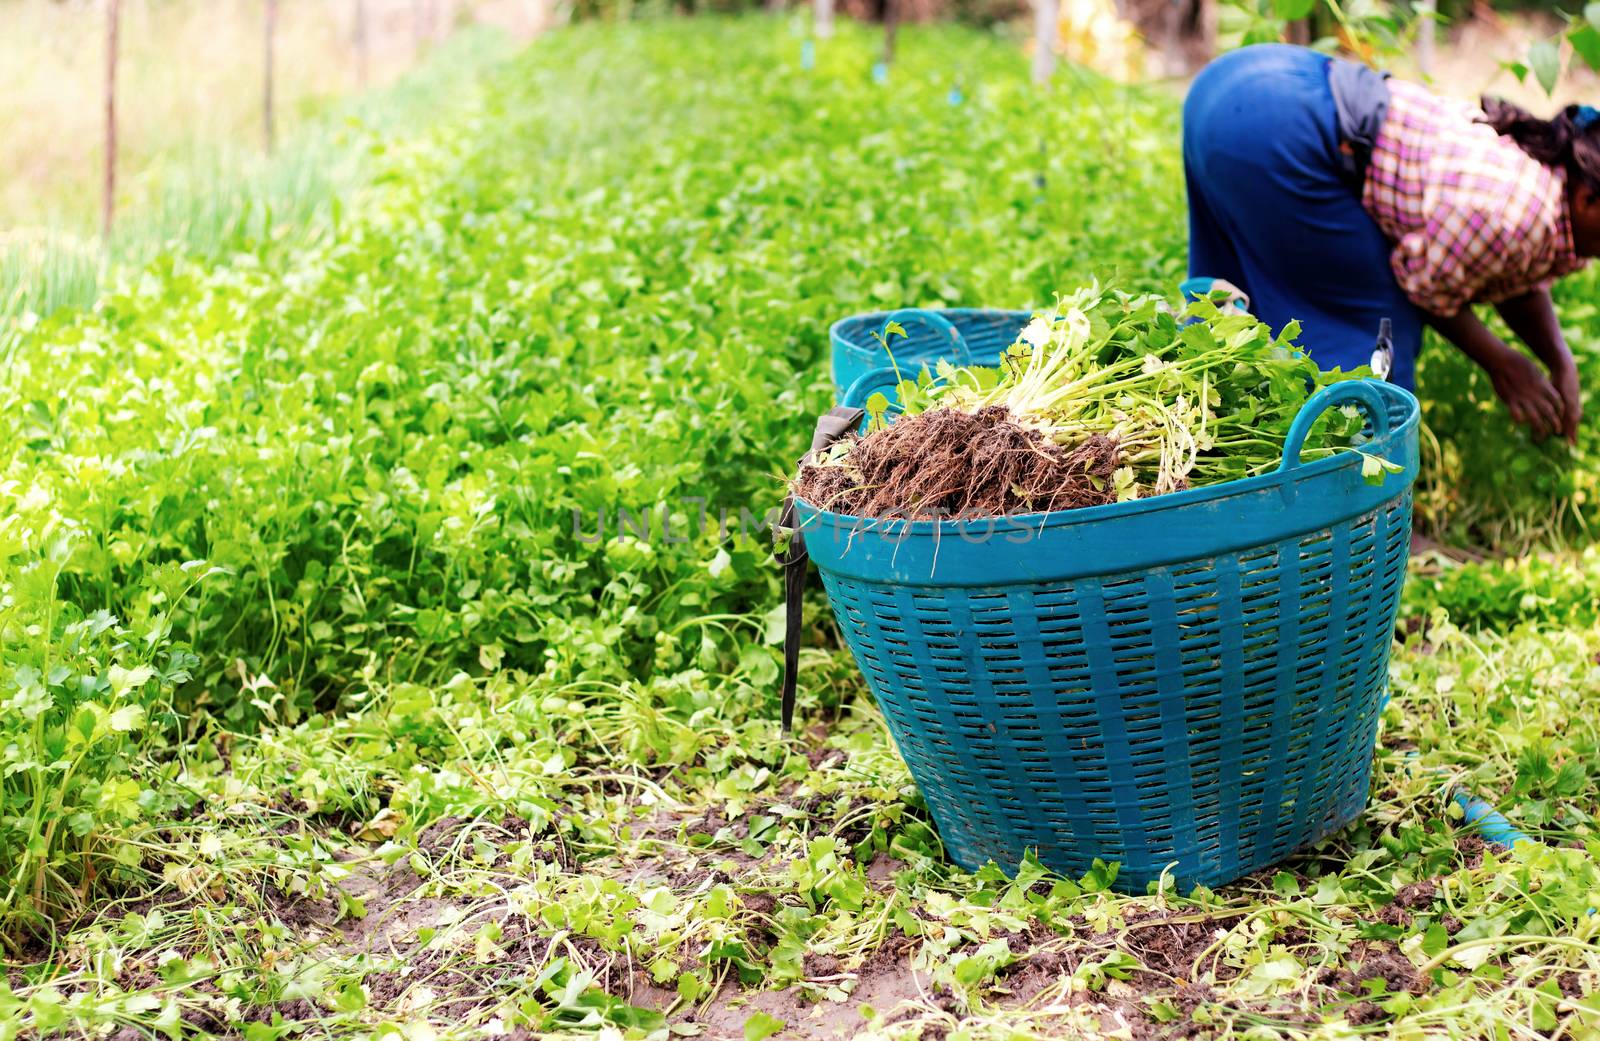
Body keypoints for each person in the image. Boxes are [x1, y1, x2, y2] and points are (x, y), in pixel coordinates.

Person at [1182, 43, 1599, 442]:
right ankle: (1353, 492)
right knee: (1376, 338)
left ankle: (1188, 437)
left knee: (1223, 309)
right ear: (1587, 200)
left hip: (1237, 88)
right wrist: (1503, 363)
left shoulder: (1544, 188)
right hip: (1283, 131)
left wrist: (1559, 360)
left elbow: (1519, 281)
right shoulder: (1514, 213)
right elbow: (1423, 288)